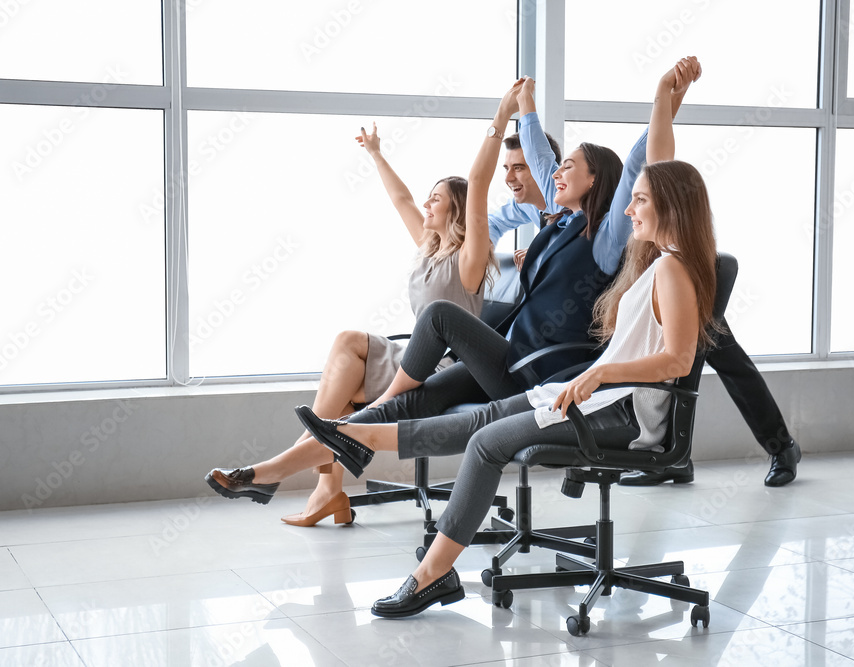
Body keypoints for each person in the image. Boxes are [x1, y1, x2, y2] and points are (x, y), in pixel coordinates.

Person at [296, 61, 720, 617]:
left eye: (640, 200)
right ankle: (359, 437)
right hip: (593, 393)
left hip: (620, 409)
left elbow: (679, 358)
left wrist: (600, 372)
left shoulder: (668, 267)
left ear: (668, 207)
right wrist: (662, 102)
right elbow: (651, 163)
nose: (632, 205)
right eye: (631, 199)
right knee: (481, 423)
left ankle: (430, 571)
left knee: (483, 440)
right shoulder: (651, 257)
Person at [203, 122, 497, 524]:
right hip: (408, 353)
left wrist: (497, 124)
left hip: (438, 368)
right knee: (346, 350)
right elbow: (401, 199)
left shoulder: (467, 262)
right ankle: (324, 489)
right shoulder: (430, 251)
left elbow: (478, 196)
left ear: (457, 210)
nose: (427, 206)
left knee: (344, 371)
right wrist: (376, 153)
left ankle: (292, 470)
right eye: (429, 199)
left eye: (437, 200)